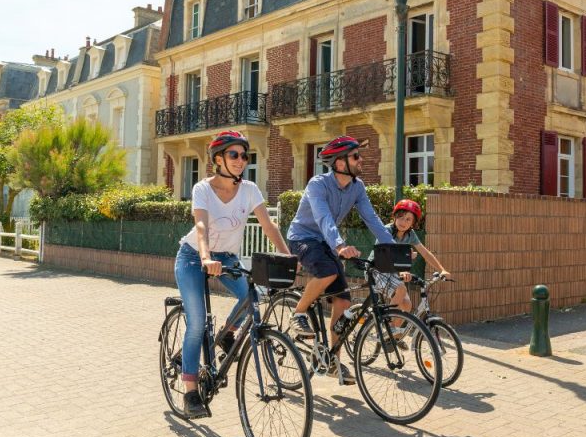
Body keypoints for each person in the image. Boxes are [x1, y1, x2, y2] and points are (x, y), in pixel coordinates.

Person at [174, 131, 289, 419]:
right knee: (197, 322)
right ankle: (190, 392)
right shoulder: (203, 189)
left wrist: (288, 255)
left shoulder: (249, 189)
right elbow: (201, 227)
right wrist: (204, 256)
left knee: (254, 296)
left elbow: (268, 224)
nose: (241, 160)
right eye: (234, 155)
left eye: (244, 156)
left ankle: (228, 333)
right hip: (192, 257)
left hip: (228, 258)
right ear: (218, 159)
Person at [286, 135, 395, 384]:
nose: (361, 160)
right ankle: (299, 312)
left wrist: (394, 246)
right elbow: (323, 218)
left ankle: (332, 359)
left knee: (344, 301)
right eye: (356, 156)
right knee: (327, 272)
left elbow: (372, 219)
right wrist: (340, 245)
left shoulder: (357, 187)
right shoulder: (318, 184)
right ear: (339, 162)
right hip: (303, 237)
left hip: (326, 241)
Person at [370, 199, 451, 336]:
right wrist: (402, 266)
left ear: (413, 223)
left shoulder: (410, 235)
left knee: (407, 305)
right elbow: (383, 255)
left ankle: (392, 336)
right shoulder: (387, 230)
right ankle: (387, 326)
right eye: (400, 217)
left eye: (408, 219)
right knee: (401, 289)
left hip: (393, 272)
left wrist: (441, 269)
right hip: (377, 269)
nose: (403, 222)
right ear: (394, 217)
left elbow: (425, 252)